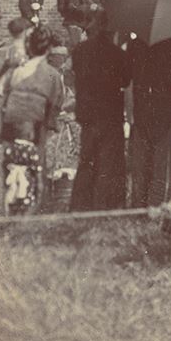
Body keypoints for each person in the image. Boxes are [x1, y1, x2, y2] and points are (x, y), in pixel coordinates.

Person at [0, 26, 66, 214]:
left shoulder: (19, 70)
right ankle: (33, 206)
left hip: (12, 126)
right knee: (35, 167)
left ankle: (12, 207)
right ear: (48, 49)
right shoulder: (52, 74)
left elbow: (6, 96)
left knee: (13, 169)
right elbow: (55, 105)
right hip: (36, 126)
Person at [69, 16, 130, 211]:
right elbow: (125, 80)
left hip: (87, 113)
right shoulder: (117, 54)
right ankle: (106, 203)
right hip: (110, 114)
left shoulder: (80, 50)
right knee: (110, 160)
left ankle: (80, 205)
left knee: (87, 158)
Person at [127, 36, 171, 207]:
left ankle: (140, 204)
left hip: (142, 108)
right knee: (163, 162)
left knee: (142, 161)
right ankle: (159, 204)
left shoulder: (135, 43)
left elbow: (128, 74)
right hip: (165, 108)